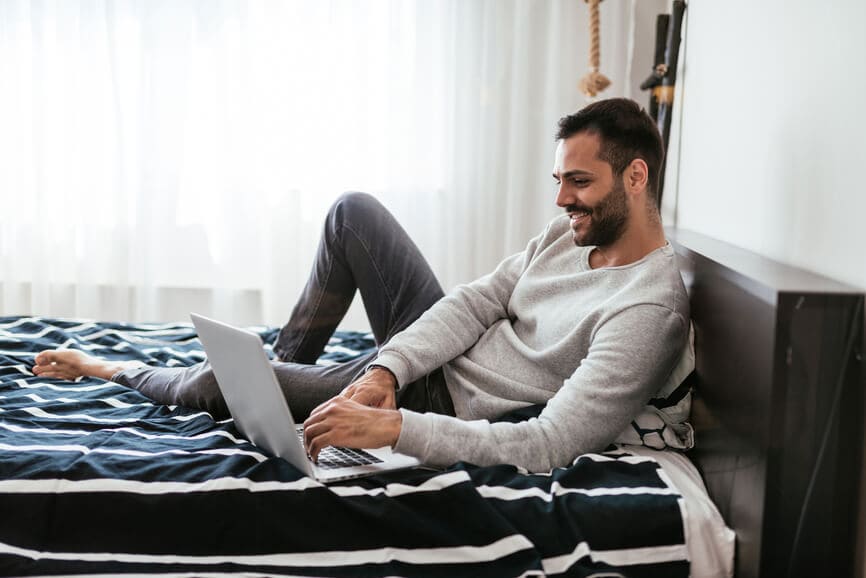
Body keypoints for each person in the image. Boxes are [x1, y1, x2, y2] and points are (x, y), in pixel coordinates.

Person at [33, 97, 689, 474]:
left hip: (447, 399)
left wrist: (392, 424)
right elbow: (477, 301)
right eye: (559, 182)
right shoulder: (571, 236)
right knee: (354, 213)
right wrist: (388, 367)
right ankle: (287, 375)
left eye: (580, 183)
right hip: (431, 362)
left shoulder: (646, 314)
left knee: (213, 384)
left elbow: (546, 445)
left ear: (636, 178)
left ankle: (105, 366)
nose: (563, 201)